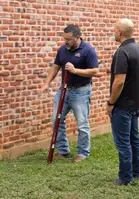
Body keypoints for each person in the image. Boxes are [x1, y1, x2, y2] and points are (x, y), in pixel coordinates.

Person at [40, 24, 99, 163]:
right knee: (56, 119)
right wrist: (46, 83)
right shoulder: (62, 50)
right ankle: (63, 150)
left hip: (81, 91)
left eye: (68, 39)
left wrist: (75, 70)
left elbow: (94, 71)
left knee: (82, 123)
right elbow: (55, 67)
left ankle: (83, 152)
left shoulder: (88, 50)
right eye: (64, 38)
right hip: (64, 90)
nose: (65, 41)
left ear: (78, 37)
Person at [106, 19, 139, 185]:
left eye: (115, 29)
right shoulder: (138, 50)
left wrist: (111, 102)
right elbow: (132, 73)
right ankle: (136, 173)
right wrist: (113, 69)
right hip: (136, 104)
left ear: (119, 32)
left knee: (123, 143)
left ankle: (125, 178)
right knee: (134, 140)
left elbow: (120, 82)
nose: (114, 32)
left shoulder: (122, 52)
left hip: (123, 106)